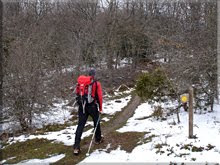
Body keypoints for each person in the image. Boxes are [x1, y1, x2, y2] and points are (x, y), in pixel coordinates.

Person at [73, 68, 103, 155]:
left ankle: (76, 147)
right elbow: (100, 97)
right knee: (96, 121)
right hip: (92, 106)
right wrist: (100, 108)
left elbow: (78, 93)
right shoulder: (96, 83)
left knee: (80, 125)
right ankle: (98, 139)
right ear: (94, 75)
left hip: (82, 106)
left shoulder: (81, 83)